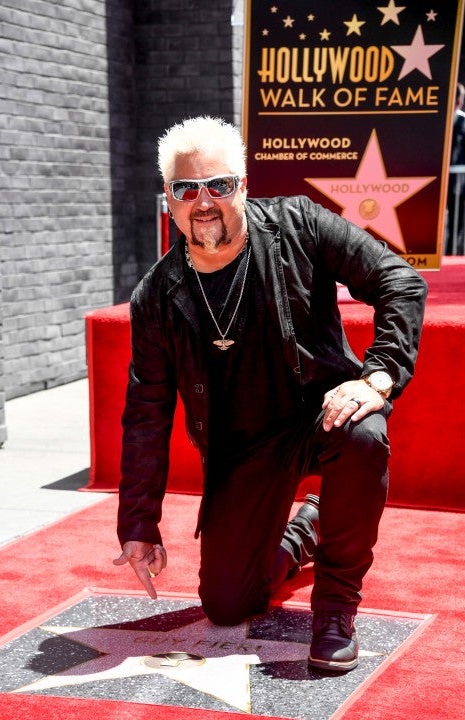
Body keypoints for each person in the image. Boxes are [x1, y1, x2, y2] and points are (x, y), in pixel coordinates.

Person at [113, 116, 427, 673]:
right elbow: (146, 414)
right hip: (241, 450)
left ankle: (335, 609)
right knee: (227, 605)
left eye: (219, 185)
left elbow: (399, 281)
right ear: (168, 197)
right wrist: (139, 525)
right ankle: (304, 530)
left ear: (244, 184)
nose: (203, 202)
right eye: (187, 188)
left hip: (322, 415)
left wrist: (378, 377)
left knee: (363, 431)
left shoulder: (299, 224)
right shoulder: (157, 296)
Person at [446, 82, 465, 254]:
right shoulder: (436, 120)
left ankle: (452, 254)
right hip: (436, 183)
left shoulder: (463, 121)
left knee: (456, 222)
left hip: (457, 184)